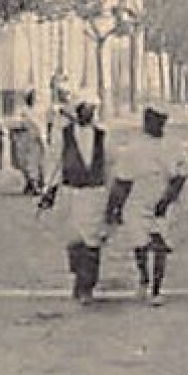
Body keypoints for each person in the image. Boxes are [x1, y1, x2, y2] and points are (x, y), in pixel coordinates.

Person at [115, 107, 188, 306]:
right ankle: (144, 278)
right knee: (140, 243)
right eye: (150, 120)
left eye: (159, 120)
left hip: (162, 198)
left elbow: (185, 171)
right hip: (137, 199)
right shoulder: (134, 148)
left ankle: (156, 289)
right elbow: (122, 180)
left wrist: (169, 197)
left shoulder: (173, 145)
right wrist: (116, 206)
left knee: (160, 244)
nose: (154, 124)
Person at [39, 97, 114, 304]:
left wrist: (111, 197)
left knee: (92, 241)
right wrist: (48, 190)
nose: (87, 112)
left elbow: (110, 167)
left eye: (91, 109)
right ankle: (79, 278)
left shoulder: (103, 136)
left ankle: (87, 285)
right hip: (70, 193)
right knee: (74, 240)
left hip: (95, 194)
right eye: (84, 108)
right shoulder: (63, 136)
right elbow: (53, 163)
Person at [8, 89, 47, 196]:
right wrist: (21, 125)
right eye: (30, 97)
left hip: (37, 140)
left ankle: (36, 184)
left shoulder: (40, 111)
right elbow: (14, 123)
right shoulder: (22, 111)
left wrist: (43, 136)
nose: (33, 100)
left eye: (34, 98)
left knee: (37, 163)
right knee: (27, 163)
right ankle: (31, 184)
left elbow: (44, 125)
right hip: (25, 140)